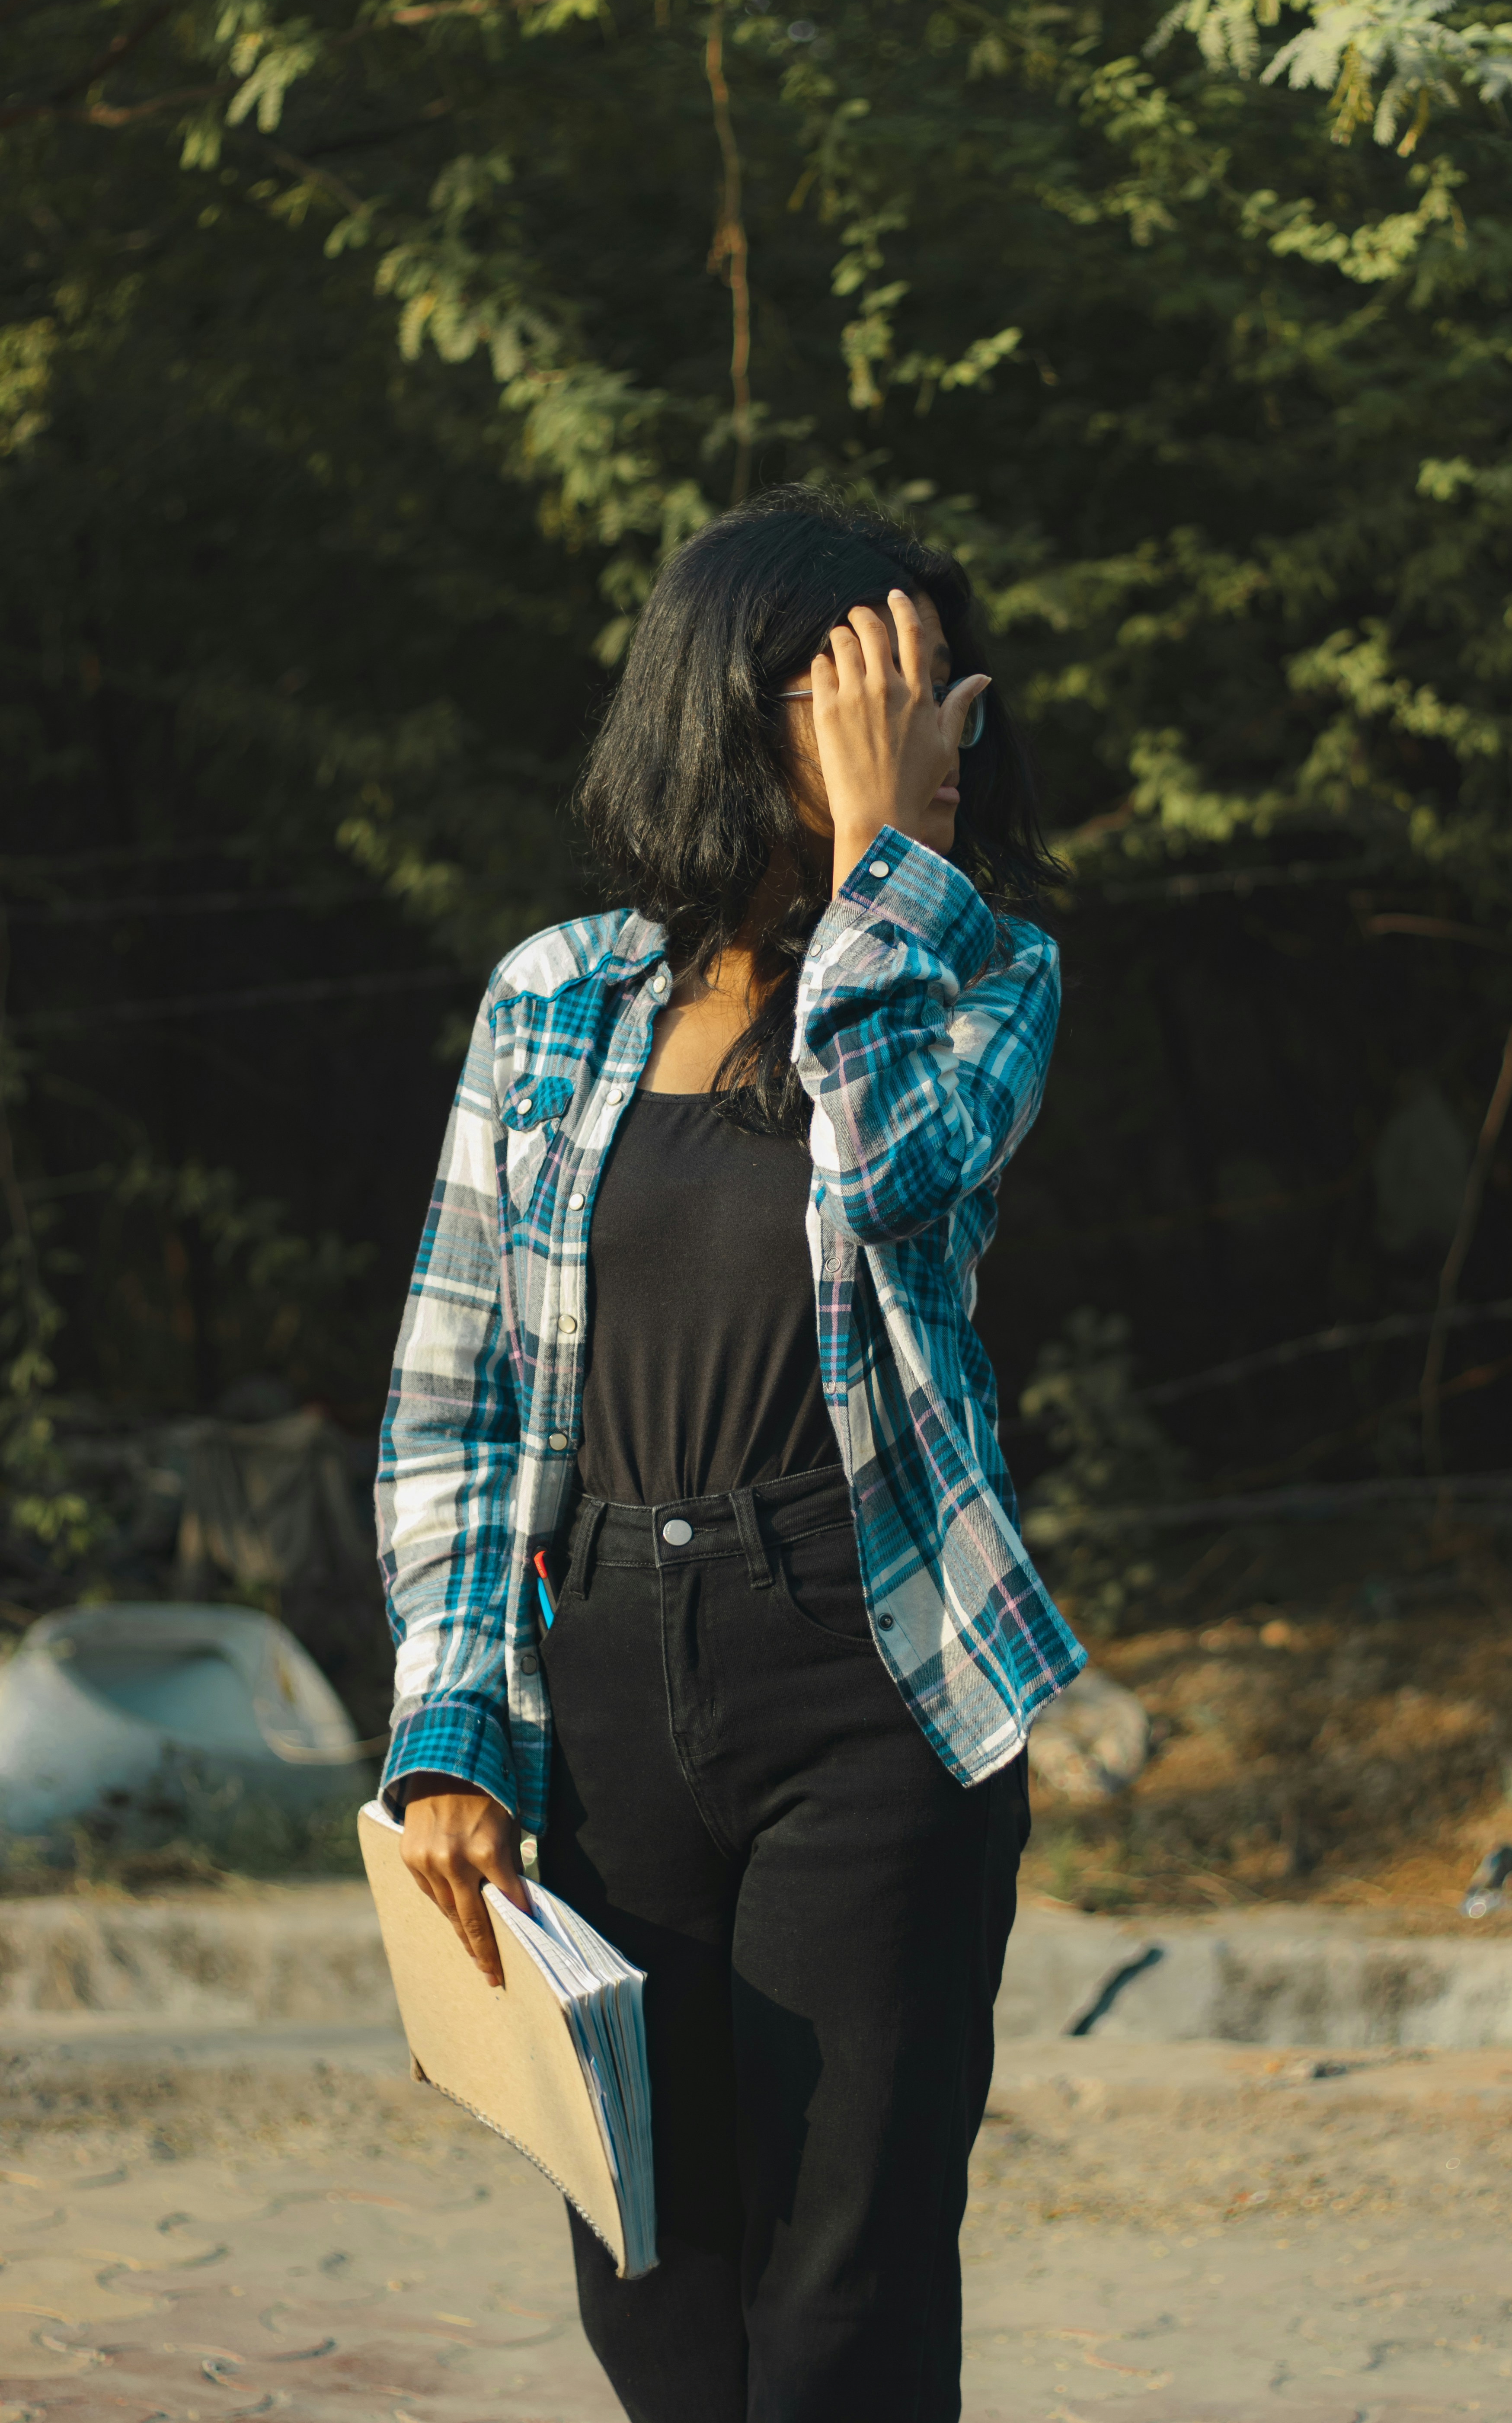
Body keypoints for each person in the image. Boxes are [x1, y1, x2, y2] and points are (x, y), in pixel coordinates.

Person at [374, 486, 1086, 2423]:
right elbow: (456, 1400)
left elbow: (889, 1178)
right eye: (873, 684)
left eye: (943, 687)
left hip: (865, 1674)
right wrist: (451, 1729)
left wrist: (880, 868)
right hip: (599, 1676)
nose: (936, 722)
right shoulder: (554, 996)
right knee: (652, 2283)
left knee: (840, 2291)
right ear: (736, 697)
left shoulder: (982, 978)